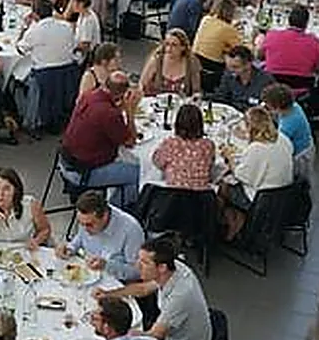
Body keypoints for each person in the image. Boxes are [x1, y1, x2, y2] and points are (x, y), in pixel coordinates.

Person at [101, 235, 213, 340]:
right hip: (178, 333)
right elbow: (143, 290)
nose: (137, 266)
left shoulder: (180, 296)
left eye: (144, 262)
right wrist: (108, 295)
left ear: (161, 267)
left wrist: (118, 334)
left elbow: (154, 335)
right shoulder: (173, 268)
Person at [61, 70, 142, 208]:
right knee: (139, 173)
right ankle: (113, 210)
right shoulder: (109, 114)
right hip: (84, 173)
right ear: (122, 94)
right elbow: (130, 141)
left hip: (66, 162)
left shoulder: (89, 96)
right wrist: (130, 111)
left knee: (123, 160)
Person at [220, 107, 295, 239]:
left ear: (251, 127)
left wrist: (230, 158)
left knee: (223, 184)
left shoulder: (257, 148)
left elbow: (241, 175)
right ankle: (237, 217)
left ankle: (229, 222)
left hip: (260, 201)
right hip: (282, 195)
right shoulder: (283, 139)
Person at [58, 190, 146, 281]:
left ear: (105, 216)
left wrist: (107, 265)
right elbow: (79, 238)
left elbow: (138, 272)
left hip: (115, 282)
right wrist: (70, 248)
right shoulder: (87, 220)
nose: (84, 229)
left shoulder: (131, 230)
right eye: (80, 223)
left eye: (89, 225)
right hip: (88, 275)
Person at [0, 168, 52, 248]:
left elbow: (45, 230)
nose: (0, 194)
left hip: (24, 252)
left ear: (16, 190)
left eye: (6, 189)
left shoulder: (30, 204)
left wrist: (36, 241)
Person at [152, 103, 219, 192]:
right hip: (201, 199)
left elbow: (157, 162)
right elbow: (210, 166)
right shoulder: (208, 145)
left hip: (172, 197)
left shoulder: (171, 143)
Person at [258, 6, 319, 80]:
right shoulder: (315, 42)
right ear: (306, 23)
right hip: (301, 88)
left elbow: (260, 57)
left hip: (272, 86)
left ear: (288, 21)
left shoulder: (271, 36)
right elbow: (318, 69)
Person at [141, 28, 197, 97]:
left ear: (183, 47)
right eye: (167, 44)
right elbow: (142, 85)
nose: (169, 49)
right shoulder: (156, 60)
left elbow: (196, 91)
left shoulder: (191, 63)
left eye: (174, 45)